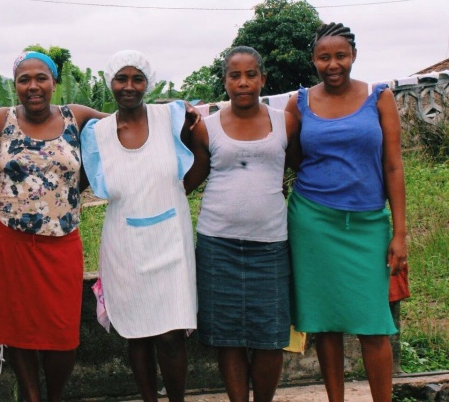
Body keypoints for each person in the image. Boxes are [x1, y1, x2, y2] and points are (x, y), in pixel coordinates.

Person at [285, 22, 407, 402]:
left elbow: (393, 166)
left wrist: (400, 233)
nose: (333, 64)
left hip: (368, 224)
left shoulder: (378, 97)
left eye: (341, 55)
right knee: (325, 323)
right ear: (313, 60)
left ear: (353, 55)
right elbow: (289, 156)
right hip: (313, 222)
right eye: (324, 57)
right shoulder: (299, 103)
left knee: (374, 325)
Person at [0, 51, 105, 402]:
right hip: (9, 240)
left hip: (62, 240)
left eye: (41, 78)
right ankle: (32, 396)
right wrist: (7, 202)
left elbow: (124, 123)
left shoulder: (76, 116)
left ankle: (54, 395)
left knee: (63, 333)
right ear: (15, 85)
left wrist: (179, 115)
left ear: (54, 82)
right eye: (24, 80)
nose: (33, 86)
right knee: (17, 326)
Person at [80, 50, 198, 402]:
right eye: (121, 79)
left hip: (171, 241)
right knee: (137, 333)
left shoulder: (172, 117)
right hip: (124, 246)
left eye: (137, 79)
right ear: (110, 82)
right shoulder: (97, 134)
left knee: (171, 335)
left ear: (148, 82)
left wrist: (174, 194)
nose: (129, 86)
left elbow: (201, 158)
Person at [186, 46, 299, 402]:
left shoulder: (285, 122)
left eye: (251, 75)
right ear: (225, 81)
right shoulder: (206, 128)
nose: (244, 82)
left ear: (263, 78)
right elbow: (191, 179)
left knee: (271, 337)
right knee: (227, 336)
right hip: (217, 245)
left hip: (270, 245)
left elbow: (302, 168)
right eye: (235, 76)